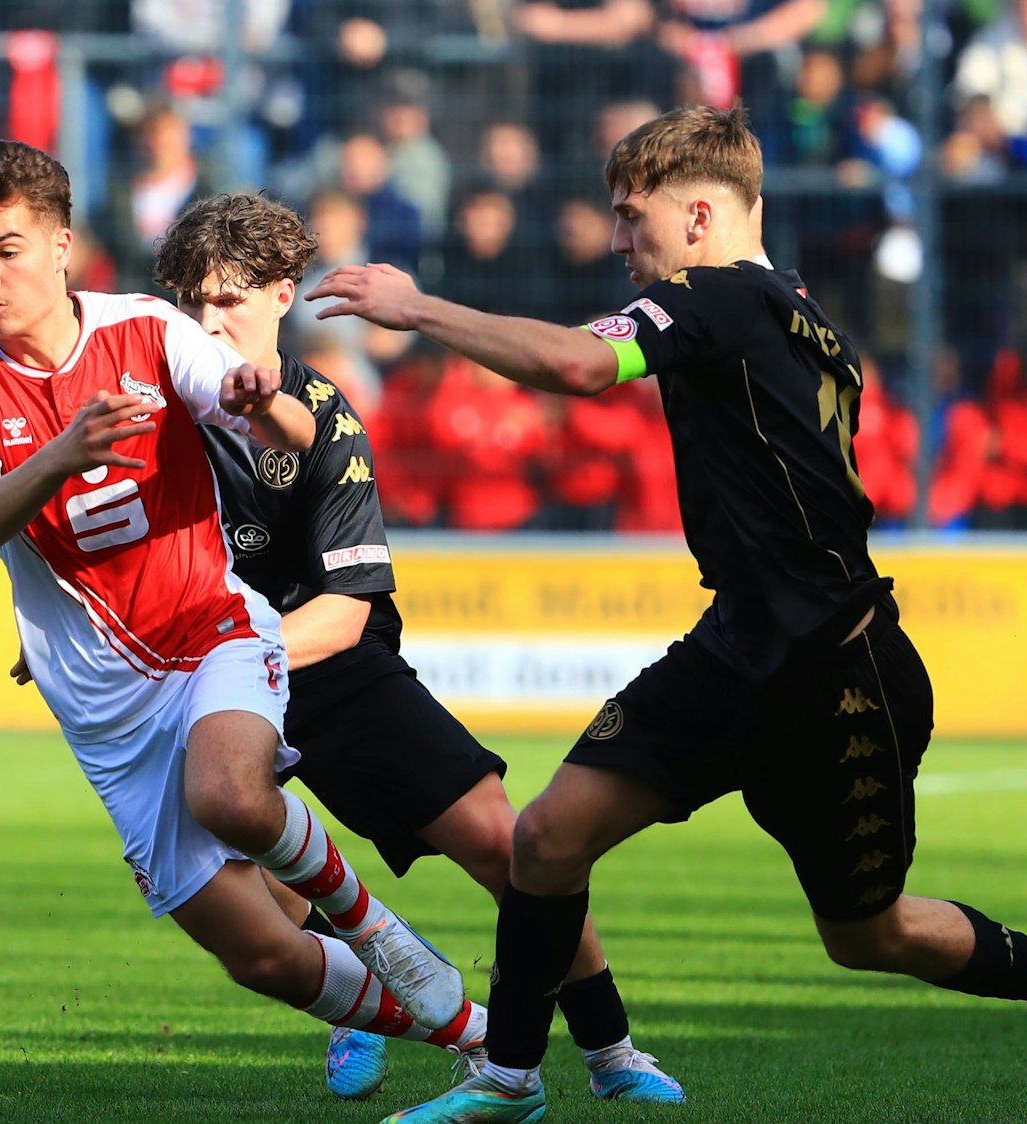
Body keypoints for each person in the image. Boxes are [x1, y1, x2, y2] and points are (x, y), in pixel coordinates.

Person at [308, 105, 1027, 1123]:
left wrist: (418, 306)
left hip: (836, 670)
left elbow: (577, 366)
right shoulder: (797, 314)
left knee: (865, 934)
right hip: (739, 645)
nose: (618, 242)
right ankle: (510, 1078)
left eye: (629, 216)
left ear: (698, 215)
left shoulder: (720, 297)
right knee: (548, 838)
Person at [0, 140, 479, 1074]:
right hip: (103, 707)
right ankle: (480, 1036)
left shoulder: (144, 328)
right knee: (260, 956)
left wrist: (263, 399)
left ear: (61, 245)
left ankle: (379, 930)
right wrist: (62, 453)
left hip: (212, 628)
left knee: (229, 795)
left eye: (7, 249)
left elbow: (289, 429)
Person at [154, 190, 684, 1104]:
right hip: (198, 678)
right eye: (192, 302)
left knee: (506, 844)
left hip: (324, 659)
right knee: (263, 912)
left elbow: (347, 611)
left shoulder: (324, 411)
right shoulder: (152, 409)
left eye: (229, 298)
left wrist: (231, 655)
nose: (208, 320)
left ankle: (610, 1049)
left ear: (284, 294)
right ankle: (367, 1006)